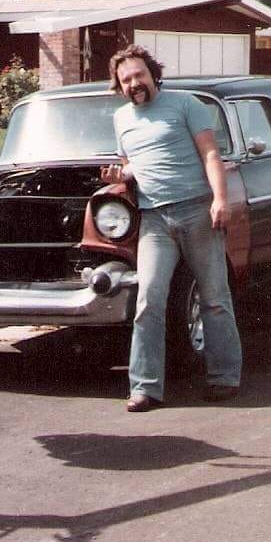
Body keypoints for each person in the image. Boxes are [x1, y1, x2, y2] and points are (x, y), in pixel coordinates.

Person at [101, 44, 242, 412]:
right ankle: (145, 387)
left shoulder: (186, 105)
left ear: (153, 73)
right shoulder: (121, 120)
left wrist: (219, 199)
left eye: (139, 75)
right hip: (154, 220)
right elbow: (133, 165)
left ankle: (224, 377)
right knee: (148, 299)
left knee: (214, 297)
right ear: (119, 86)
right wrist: (122, 173)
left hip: (198, 210)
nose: (134, 83)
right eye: (126, 79)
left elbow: (210, 154)